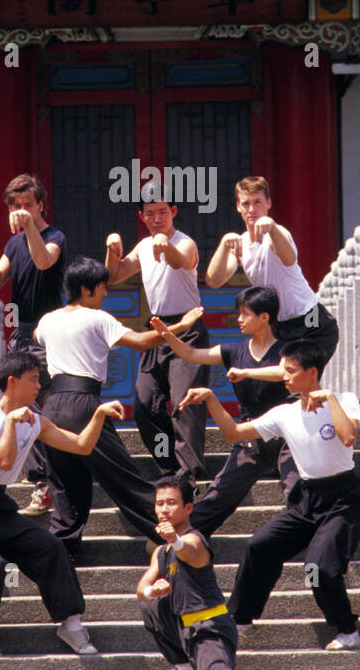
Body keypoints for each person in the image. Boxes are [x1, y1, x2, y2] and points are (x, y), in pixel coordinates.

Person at [178, 339, 360, 650]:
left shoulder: (344, 400)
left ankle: (348, 630)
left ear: (312, 372)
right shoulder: (284, 413)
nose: (284, 376)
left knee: (318, 568)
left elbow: (348, 437)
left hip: (344, 499)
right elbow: (234, 434)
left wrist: (330, 398)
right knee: (260, 546)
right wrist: (212, 399)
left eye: (290, 371)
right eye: (283, 370)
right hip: (307, 499)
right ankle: (240, 620)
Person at [0, 351, 126, 658]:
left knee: (51, 547)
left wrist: (99, 415)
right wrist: (11, 423)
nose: (40, 386)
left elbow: (81, 445)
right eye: (33, 380)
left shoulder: (36, 421)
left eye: (40, 380)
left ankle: (71, 624)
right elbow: (3, 459)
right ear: (13, 382)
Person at [35, 257, 200, 556]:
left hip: (53, 404)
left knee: (65, 483)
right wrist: (179, 327)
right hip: (83, 405)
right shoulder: (98, 318)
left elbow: (36, 338)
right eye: (101, 288)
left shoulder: (48, 320)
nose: (106, 294)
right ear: (86, 290)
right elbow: (140, 341)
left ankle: (63, 551)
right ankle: (173, 531)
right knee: (123, 477)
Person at [150, 285, 295, 535]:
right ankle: (183, 540)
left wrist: (246, 372)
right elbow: (192, 354)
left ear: (264, 317)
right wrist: (168, 335)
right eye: (239, 313)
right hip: (249, 433)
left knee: (297, 490)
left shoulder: (286, 350)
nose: (239, 319)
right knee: (220, 495)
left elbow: (283, 371)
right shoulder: (233, 351)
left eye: (245, 313)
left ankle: (308, 543)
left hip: (286, 434)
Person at [137, 475, 241, 670]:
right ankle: (187, 664)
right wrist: (150, 590)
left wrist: (176, 539)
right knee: (153, 605)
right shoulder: (160, 551)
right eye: (159, 504)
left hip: (210, 628)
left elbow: (192, 553)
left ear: (189, 508)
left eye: (172, 503)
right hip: (184, 629)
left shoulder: (194, 539)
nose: (164, 509)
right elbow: (141, 587)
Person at [0, 173, 66, 517]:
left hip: (49, 330)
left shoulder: (55, 236)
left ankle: (52, 480)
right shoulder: (14, 245)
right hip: (21, 334)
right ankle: (43, 481)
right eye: (16, 206)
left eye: (28, 204)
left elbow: (45, 260)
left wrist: (29, 226)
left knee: (39, 405)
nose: (21, 211)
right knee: (17, 405)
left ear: (40, 205)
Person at [105, 191, 209, 478]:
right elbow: (114, 276)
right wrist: (112, 249)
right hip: (158, 331)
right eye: (150, 213)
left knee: (183, 404)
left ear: (173, 211)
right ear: (141, 216)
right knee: (144, 404)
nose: (156, 218)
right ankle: (169, 465)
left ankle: (190, 475)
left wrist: (167, 246)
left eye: (162, 211)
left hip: (187, 330)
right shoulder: (143, 245)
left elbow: (181, 263)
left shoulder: (184, 242)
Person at [205, 175, 339, 365]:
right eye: (246, 203)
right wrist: (224, 245)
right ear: (238, 207)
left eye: (257, 202)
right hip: (282, 326)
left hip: (312, 319)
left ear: (268, 203)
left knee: (298, 378)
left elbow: (289, 258)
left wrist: (273, 228)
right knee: (284, 385)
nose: (252, 209)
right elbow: (214, 281)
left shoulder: (278, 234)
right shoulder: (241, 243)